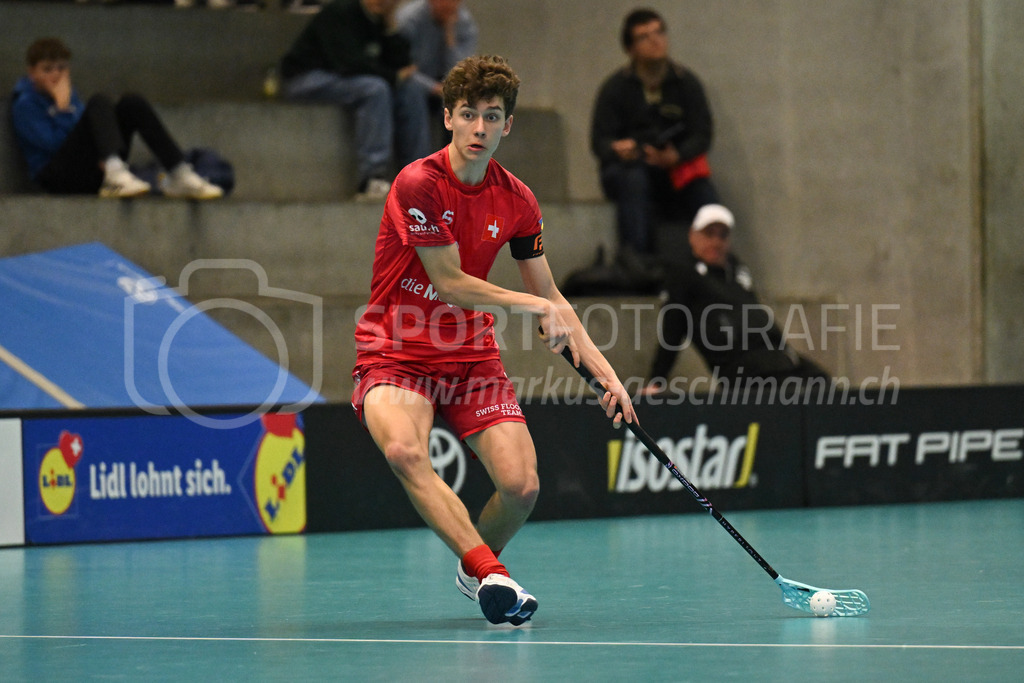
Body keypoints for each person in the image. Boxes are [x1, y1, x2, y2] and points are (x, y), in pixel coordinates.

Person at [351, 55, 636, 625]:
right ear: (449, 119)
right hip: (396, 353)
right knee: (405, 451)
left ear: (508, 125)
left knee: (522, 486)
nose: (480, 128)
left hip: (471, 359)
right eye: (468, 115)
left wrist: (609, 377)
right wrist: (533, 306)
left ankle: (477, 565)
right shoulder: (419, 184)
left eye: (492, 116)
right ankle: (490, 573)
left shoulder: (517, 200)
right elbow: (450, 282)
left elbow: (551, 294)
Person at [642, 204, 831, 396]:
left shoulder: (737, 272)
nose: (716, 242)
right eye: (709, 234)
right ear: (693, 235)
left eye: (722, 235)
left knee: (824, 384)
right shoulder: (683, 276)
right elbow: (672, 329)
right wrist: (657, 380)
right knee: (793, 394)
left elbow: (756, 315)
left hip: (777, 357)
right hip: (744, 368)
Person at [10, 37, 223, 200]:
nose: (56, 76)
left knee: (131, 103)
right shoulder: (25, 104)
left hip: (91, 170)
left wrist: (101, 151)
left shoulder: (68, 95)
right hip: (56, 179)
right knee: (99, 101)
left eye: (62, 68)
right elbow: (54, 145)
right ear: (32, 72)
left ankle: (179, 172)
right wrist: (63, 109)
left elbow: (90, 131)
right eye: (47, 69)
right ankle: (114, 174)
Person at [590, 8, 720, 273]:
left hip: (674, 168)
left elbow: (702, 134)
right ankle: (637, 262)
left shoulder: (685, 83)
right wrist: (618, 148)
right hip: (630, 168)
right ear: (630, 48)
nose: (655, 40)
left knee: (706, 194)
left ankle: (717, 266)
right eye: (644, 36)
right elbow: (599, 141)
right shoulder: (616, 87)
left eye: (659, 32)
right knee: (633, 179)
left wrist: (677, 155)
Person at [279, 0, 432, 201]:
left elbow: (402, 63)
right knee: (375, 89)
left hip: (347, 77)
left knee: (410, 89)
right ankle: (371, 178)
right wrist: (393, 76)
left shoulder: (379, 21)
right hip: (307, 78)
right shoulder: (340, 12)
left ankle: (417, 178)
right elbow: (347, 62)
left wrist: (390, 26)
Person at [395, 0, 479, 145]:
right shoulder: (409, 19)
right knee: (413, 93)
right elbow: (401, 67)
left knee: (464, 97)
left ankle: (457, 162)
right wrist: (432, 87)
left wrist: (450, 36)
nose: (448, 7)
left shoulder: (464, 22)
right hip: (412, 81)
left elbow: (463, 71)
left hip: (444, 82)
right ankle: (417, 162)